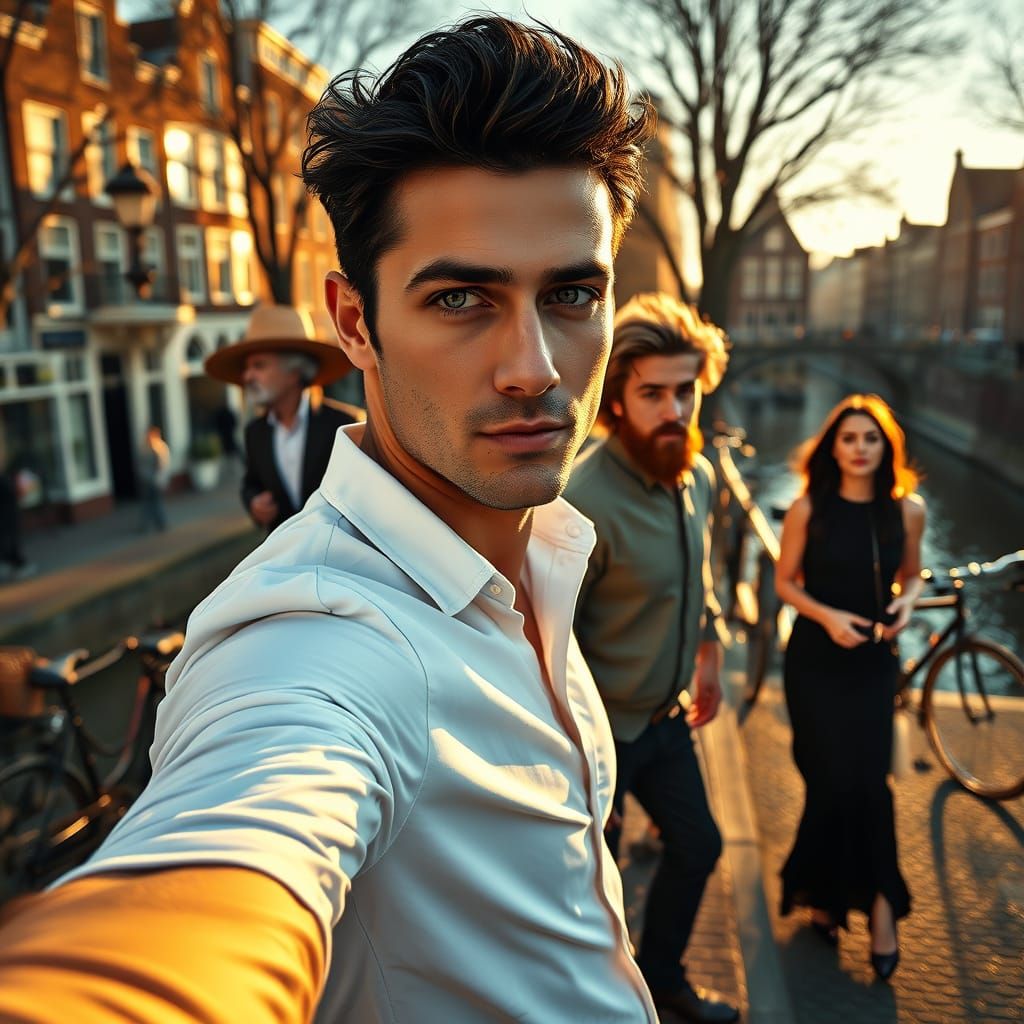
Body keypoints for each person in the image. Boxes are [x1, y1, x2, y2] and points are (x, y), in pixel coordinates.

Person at [0, 17, 660, 1023]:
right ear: (353, 322)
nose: (533, 365)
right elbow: (242, 834)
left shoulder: (546, 556)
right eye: (460, 300)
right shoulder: (319, 643)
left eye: (572, 291)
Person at [566, 293, 737, 1023]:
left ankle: (662, 976)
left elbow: (701, 574)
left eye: (686, 391)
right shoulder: (579, 499)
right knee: (587, 889)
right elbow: (547, 634)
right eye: (654, 393)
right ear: (615, 400)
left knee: (698, 846)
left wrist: (710, 649)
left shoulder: (694, 475)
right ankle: (598, 1001)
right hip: (596, 735)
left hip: (666, 720)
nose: (675, 409)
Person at [775, 393, 926, 981]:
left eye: (870, 438)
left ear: (886, 446)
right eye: (849, 438)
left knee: (869, 784)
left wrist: (908, 604)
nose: (860, 448)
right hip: (815, 660)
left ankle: (882, 908)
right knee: (829, 781)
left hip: (873, 663)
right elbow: (786, 584)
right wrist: (828, 617)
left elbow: (911, 576)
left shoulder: (907, 511)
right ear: (831, 447)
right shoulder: (808, 508)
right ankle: (827, 895)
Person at [204, 304, 356, 533]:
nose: (247, 376)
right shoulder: (255, 433)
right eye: (247, 368)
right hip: (285, 562)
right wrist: (254, 502)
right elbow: (251, 483)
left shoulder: (343, 426)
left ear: (294, 373)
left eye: (259, 366)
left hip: (341, 558)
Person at [136, 425, 171, 533]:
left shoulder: (159, 447)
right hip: (147, 480)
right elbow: (140, 464)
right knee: (149, 502)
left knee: (156, 501)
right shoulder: (145, 447)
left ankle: (160, 523)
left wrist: (161, 480)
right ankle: (149, 524)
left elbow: (162, 466)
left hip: (154, 480)